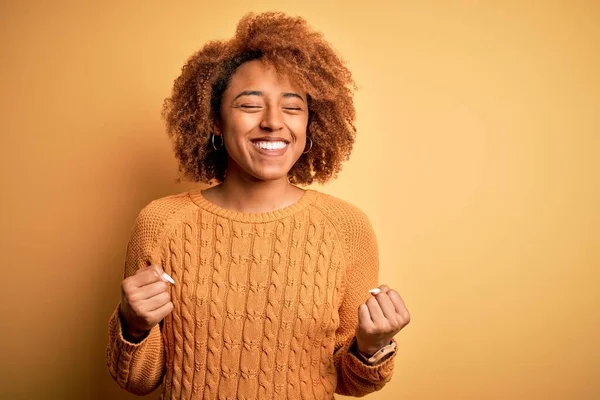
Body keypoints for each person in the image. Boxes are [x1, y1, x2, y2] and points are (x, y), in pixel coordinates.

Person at [106, 11, 410, 399]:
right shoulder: (161, 222)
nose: (273, 122)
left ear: (310, 124)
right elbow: (138, 381)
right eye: (250, 105)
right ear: (215, 120)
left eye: (292, 106)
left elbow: (352, 384)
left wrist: (371, 348)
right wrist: (132, 326)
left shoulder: (346, 227)